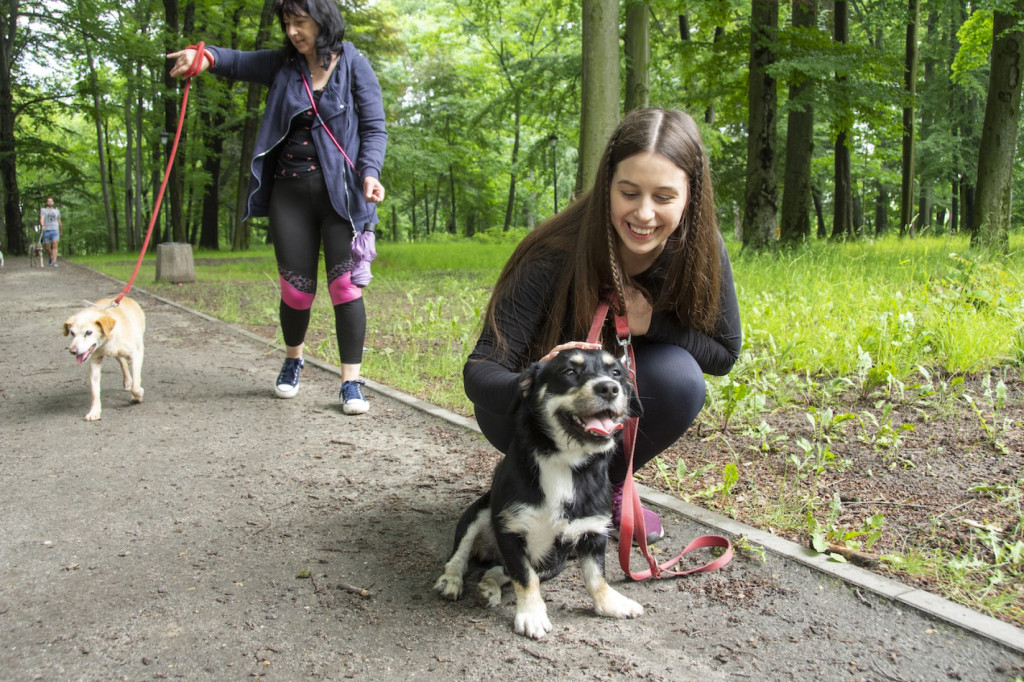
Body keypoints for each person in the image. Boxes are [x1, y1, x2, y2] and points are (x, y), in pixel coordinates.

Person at [464, 108, 742, 543]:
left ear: (691, 195)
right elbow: (480, 370)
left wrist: (651, 324)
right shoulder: (552, 252)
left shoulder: (701, 250)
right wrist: (537, 380)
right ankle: (532, 481)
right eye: (628, 193)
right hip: (531, 411)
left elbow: (724, 354)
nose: (644, 214)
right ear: (606, 186)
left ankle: (603, 488)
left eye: (664, 197)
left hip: (616, 402)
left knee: (680, 378)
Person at [168, 0, 386, 414]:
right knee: (296, 292)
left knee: (345, 288)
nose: (292, 32)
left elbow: (375, 128)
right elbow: (235, 61)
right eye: (286, 23)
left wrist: (370, 173)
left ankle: (351, 383)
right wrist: (204, 56)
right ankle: (293, 359)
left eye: (300, 22)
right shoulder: (283, 65)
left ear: (322, 20)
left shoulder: (354, 64)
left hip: (343, 197)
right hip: (290, 195)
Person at [39, 197, 62, 267]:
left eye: (51, 201)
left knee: (55, 244)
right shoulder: (43, 210)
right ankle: (51, 256)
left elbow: (59, 221)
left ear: (53, 202)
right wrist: (42, 225)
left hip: (55, 229)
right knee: (47, 247)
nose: (50, 202)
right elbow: (42, 219)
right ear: (47, 203)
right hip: (47, 230)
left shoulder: (57, 211)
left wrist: (61, 230)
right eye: (48, 201)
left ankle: (54, 261)